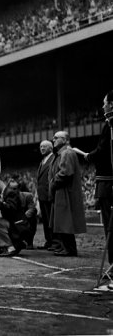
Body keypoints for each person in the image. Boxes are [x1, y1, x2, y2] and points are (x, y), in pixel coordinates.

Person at [73, 91, 113, 265]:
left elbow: (103, 151)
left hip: (108, 181)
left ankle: (112, 265)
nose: (103, 106)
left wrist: (89, 156)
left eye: (105, 103)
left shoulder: (110, 125)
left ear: (111, 104)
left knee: (110, 227)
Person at [49, 131, 87, 257]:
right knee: (62, 221)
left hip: (64, 190)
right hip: (62, 190)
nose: (53, 139)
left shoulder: (67, 153)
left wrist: (53, 182)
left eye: (56, 138)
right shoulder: (62, 153)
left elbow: (65, 173)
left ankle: (69, 249)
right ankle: (67, 247)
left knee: (65, 221)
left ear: (65, 140)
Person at [36, 140, 58, 250]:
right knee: (45, 219)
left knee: (50, 219)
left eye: (44, 146)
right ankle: (48, 241)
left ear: (50, 148)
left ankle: (54, 241)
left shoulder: (53, 158)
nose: (42, 148)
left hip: (48, 194)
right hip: (41, 194)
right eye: (40, 146)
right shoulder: (43, 160)